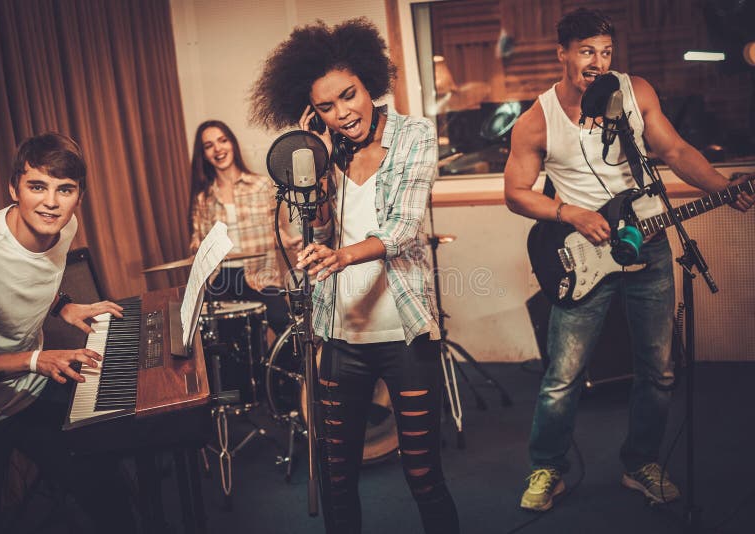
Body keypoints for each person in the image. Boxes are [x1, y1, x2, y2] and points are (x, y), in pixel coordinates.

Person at [503, 8, 754, 512]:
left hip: (651, 243)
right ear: (563, 53)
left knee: (658, 369)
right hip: (585, 255)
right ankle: (547, 467)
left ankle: (640, 463)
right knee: (564, 375)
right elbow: (514, 193)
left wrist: (721, 188)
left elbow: (676, 151)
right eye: (586, 52)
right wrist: (568, 212)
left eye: (606, 52)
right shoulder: (537, 120)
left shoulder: (635, 93)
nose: (598, 63)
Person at [250, 18, 459, 534]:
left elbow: (405, 229)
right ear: (313, 110)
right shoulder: (323, 150)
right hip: (341, 336)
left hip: (405, 333)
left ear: (370, 83)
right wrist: (314, 160)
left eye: (350, 96)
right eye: (326, 106)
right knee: (337, 477)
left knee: (423, 474)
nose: (342, 113)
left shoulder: (414, 135)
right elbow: (317, 226)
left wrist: (342, 257)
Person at [0, 133, 137, 533]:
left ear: (79, 196)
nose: (51, 202)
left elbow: (34, 277)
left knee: (105, 483)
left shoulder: (65, 225)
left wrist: (65, 306)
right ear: (13, 188)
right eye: (37, 186)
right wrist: (36, 359)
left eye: (65, 189)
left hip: (29, 393)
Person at [188, 119, 301, 336]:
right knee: (224, 339)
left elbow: (275, 231)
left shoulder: (261, 185)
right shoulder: (203, 198)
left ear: (233, 144)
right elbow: (197, 239)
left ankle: (274, 371)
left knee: (287, 329)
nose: (218, 149)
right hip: (220, 279)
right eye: (209, 145)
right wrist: (196, 246)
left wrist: (288, 241)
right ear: (203, 155)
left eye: (223, 140)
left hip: (259, 275)